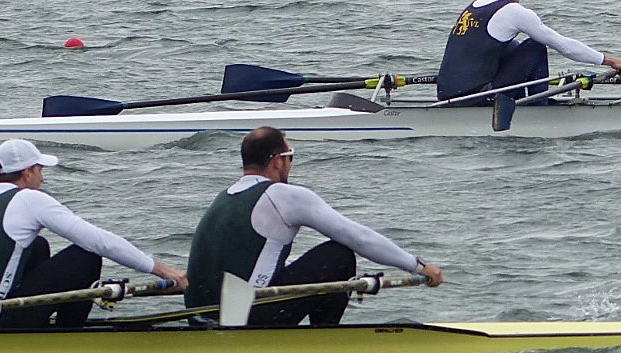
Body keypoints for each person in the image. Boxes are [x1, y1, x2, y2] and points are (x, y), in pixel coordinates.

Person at [185, 127, 444, 326]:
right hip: (246, 317)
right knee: (338, 254)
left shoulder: (223, 197)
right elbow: (358, 237)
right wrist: (418, 266)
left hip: (200, 316)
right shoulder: (283, 195)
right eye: (290, 157)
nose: (290, 164)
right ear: (277, 161)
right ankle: (323, 336)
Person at [0, 138, 186, 330]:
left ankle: (40, 324)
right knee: (86, 255)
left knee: (38, 245)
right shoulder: (29, 199)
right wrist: (164, 272)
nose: (42, 178)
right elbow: (100, 241)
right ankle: (68, 334)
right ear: (27, 172)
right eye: (40, 170)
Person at [436, 0, 621, 102]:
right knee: (535, 46)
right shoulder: (513, 11)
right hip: (478, 97)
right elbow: (564, 46)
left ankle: (519, 102)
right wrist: (611, 61)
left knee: (512, 46)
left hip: (446, 94)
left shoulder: (473, 6)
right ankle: (539, 108)